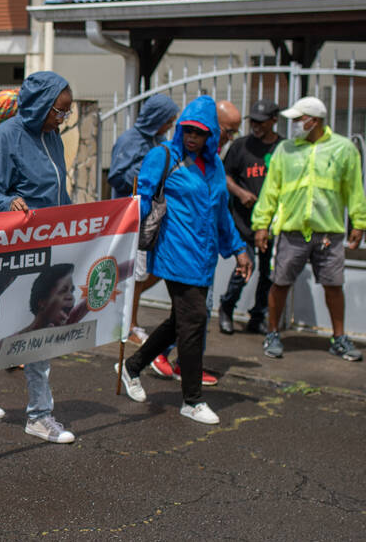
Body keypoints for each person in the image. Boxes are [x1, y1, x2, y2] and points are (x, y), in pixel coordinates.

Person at [118, 95, 251, 424]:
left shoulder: (216, 165)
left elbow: (221, 214)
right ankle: (191, 400)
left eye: (200, 132)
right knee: (193, 322)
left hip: (203, 257)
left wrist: (238, 249)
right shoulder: (163, 155)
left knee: (181, 321)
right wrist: (123, 230)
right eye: (187, 130)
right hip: (175, 252)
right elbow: (144, 199)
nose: (192, 137)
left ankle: (132, 367)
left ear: (211, 135)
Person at [0, 72, 76, 444]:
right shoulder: (7, 135)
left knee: (35, 326)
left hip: (49, 243)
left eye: (66, 113)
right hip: (18, 245)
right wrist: (5, 202)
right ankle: (35, 413)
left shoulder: (53, 137)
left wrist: (76, 222)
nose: (62, 120)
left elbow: (57, 189)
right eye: (58, 112)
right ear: (41, 105)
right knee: (23, 323)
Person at [252, 96, 366, 361]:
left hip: (329, 233)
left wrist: (359, 223)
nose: (293, 124)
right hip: (292, 232)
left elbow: (354, 190)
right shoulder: (285, 150)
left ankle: (339, 338)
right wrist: (261, 224)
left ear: (313, 121)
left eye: (297, 119)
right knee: (279, 283)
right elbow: (271, 190)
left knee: (333, 285)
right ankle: (272, 333)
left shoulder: (344, 149)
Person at [107, 94, 180, 347]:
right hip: (134, 215)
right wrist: (148, 176)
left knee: (150, 271)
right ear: (156, 118)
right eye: (167, 120)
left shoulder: (160, 141)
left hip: (155, 217)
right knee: (136, 273)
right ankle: (130, 325)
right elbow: (117, 176)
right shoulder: (130, 140)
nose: (169, 126)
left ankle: (126, 307)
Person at [218, 100, 280, 335]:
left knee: (269, 273)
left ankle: (257, 316)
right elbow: (224, 175)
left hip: (273, 223)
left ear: (274, 121)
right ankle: (227, 307)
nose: (256, 126)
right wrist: (241, 192)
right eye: (253, 121)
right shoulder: (241, 146)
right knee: (246, 267)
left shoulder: (281, 148)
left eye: (261, 122)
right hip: (244, 222)